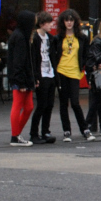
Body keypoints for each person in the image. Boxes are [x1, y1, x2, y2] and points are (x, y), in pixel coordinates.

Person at [55, 9, 92, 142]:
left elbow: (86, 55)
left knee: (75, 102)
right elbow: (54, 55)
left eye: (71, 20)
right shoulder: (58, 38)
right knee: (63, 103)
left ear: (75, 22)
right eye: (66, 20)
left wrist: (86, 68)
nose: (69, 23)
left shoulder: (82, 38)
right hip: (61, 72)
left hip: (75, 72)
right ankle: (67, 131)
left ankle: (85, 129)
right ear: (63, 22)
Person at [6, 11, 36, 147]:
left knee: (28, 107)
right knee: (19, 105)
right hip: (20, 78)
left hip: (23, 77)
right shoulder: (20, 37)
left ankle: (17, 134)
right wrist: (21, 80)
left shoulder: (20, 35)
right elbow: (18, 62)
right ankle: (15, 135)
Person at [28, 12, 58, 144]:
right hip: (41, 74)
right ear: (41, 24)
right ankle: (34, 133)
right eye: (49, 22)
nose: (52, 25)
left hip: (50, 73)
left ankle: (45, 131)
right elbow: (33, 59)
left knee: (50, 105)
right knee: (41, 105)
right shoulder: (34, 38)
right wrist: (35, 77)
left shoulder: (50, 38)